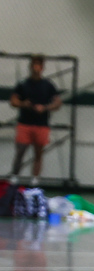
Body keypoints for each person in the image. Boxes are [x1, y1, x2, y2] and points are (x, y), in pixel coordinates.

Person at [9, 54, 62, 186]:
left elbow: (57, 103)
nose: (36, 68)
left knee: (38, 153)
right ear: (31, 67)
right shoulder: (23, 84)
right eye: (34, 65)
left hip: (41, 124)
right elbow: (13, 101)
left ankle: (35, 179)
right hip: (24, 123)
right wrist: (23, 104)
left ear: (42, 68)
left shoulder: (48, 85)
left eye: (39, 65)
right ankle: (14, 176)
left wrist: (45, 108)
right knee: (20, 151)